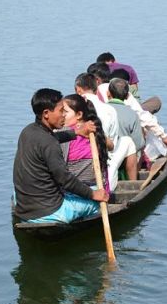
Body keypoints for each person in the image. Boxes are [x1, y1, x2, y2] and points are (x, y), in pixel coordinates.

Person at [13, 88, 107, 223]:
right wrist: (93, 194)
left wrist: (77, 132)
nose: (64, 115)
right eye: (61, 111)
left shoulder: (28, 131)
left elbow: (52, 138)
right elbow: (65, 180)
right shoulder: (49, 142)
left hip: (25, 208)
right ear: (46, 113)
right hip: (51, 210)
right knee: (96, 203)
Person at [75, 72, 137, 191]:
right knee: (127, 141)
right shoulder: (109, 109)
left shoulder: (72, 109)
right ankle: (133, 187)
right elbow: (111, 146)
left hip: (86, 172)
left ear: (78, 90)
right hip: (103, 178)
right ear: (96, 89)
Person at [60, 94, 110, 195]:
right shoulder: (95, 131)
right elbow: (111, 145)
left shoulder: (65, 132)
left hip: (78, 192)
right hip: (101, 191)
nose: (62, 115)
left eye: (65, 112)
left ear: (79, 115)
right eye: (61, 111)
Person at [106, 78, 144, 181]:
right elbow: (138, 144)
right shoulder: (132, 114)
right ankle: (133, 182)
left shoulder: (101, 109)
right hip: (124, 160)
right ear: (127, 96)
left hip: (104, 156)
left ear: (108, 93)